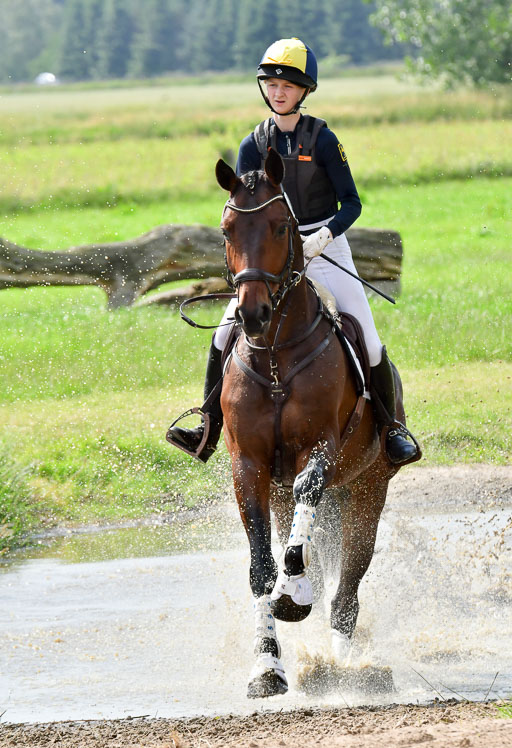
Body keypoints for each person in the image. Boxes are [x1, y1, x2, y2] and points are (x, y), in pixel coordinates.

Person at [167, 37, 418, 465]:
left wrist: (322, 238)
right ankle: (207, 424)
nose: (278, 91)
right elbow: (247, 210)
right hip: (271, 254)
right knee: (224, 333)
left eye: (287, 85)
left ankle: (391, 431)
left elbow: (352, 203)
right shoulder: (251, 145)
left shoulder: (323, 140)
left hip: (325, 245)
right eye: (271, 83)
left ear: (304, 91)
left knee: (369, 338)